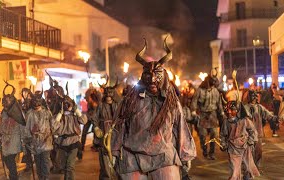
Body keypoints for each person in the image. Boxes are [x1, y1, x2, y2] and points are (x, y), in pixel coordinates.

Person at [111, 38, 196, 179]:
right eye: (148, 75)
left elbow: (180, 127)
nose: (152, 80)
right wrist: (114, 151)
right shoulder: (130, 101)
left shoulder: (171, 102)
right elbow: (120, 126)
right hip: (133, 155)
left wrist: (185, 154)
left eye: (157, 75)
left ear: (163, 77)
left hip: (164, 156)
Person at [220, 100, 260, 180]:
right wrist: (223, 144)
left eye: (232, 110)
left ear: (237, 111)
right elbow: (223, 135)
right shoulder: (226, 121)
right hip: (233, 148)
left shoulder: (245, 120)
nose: (229, 112)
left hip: (245, 146)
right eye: (228, 110)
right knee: (234, 170)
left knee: (248, 167)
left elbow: (253, 131)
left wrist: (250, 141)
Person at [52, 93, 87, 180]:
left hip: (73, 142)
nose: (68, 106)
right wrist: (60, 113)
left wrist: (77, 110)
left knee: (70, 167)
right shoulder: (58, 116)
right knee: (63, 166)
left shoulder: (74, 116)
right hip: (62, 143)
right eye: (66, 104)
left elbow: (84, 121)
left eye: (69, 104)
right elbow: (53, 126)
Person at [191, 74, 225, 160]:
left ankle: (212, 153)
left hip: (213, 114)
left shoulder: (216, 91)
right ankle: (204, 149)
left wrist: (221, 112)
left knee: (214, 134)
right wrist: (193, 111)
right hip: (203, 114)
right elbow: (194, 100)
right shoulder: (200, 90)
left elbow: (219, 103)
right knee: (202, 135)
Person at [244, 90, 278, 171]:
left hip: (258, 132)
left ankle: (257, 166)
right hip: (248, 134)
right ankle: (249, 167)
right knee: (249, 151)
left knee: (258, 151)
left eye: (255, 96)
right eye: (252, 96)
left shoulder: (259, 107)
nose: (254, 97)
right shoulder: (244, 107)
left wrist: (276, 118)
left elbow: (268, 115)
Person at [93, 79, 120, 180]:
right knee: (104, 164)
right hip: (104, 136)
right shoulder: (100, 106)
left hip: (116, 135)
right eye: (107, 95)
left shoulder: (118, 105)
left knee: (115, 163)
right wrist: (96, 127)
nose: (108, 97)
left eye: (110, 95)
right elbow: (94, 118)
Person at [0, 81, 24, 180]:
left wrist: (24, 142)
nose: (4, 104)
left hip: (14, 141)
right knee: (7, 160)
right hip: (5, 141)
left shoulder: (18, 113)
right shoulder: (4, 113)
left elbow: (23, 127)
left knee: (10, 160)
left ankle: (14, 177)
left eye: (6, 101)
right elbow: (0, 126)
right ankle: (14, 175)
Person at [24, 89, 53, 180]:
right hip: (35, 143)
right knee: (38, 164)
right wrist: (27, 140)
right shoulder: (30, 114)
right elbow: (27, 128)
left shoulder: (47, 113)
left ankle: (46, 178)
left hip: (46, 141)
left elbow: (53, 125)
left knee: (45, 163)